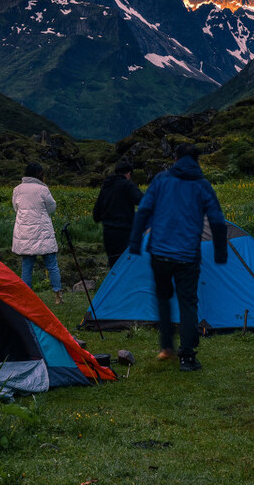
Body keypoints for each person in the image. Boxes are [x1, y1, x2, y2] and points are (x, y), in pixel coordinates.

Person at [128, 143, 227, 372]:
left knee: (163, 298)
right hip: (187, 256)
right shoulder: (202, 186)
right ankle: (187, 358)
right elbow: (217, 220)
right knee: (188, 304)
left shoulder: (161, 180)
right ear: (196, 161)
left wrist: (135, 243)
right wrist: (221, 253)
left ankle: (166, 347)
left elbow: (143, 210)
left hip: (160, 253)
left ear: (176, 158)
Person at [12, 161, 63, 304]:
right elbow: (52, 208)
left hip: (25, 233)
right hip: (43, 232)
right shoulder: (43, 189)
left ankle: (27, 296)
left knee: (27, 266)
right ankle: (58, 295)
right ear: (39, 174)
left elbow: (16, 208)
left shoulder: (17, 189)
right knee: (52, 264)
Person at [92, 158, 142, 266]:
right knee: (126, 264)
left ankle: (113, 282)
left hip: (108, 233)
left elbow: (96, 215)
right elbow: (142, 200)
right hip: (124, 232)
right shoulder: (127, 185)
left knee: (114, 263)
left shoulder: (106, 186)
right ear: (128, 174)